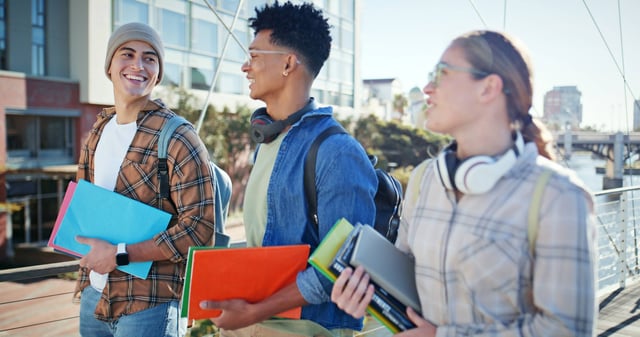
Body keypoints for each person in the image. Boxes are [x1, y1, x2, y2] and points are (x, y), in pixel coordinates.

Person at [331, 30, 598, 337]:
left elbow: (566, 330)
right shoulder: (424, 179)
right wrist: (368, 295)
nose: (429, 88)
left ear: (488, 88)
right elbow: (404, 282)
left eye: (441, 74)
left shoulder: (560, 197)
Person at [197, 1, 378, 336]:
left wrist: (255, 312)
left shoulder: (339, 153)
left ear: (288, 64)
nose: (244, 67)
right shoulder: (269, 140)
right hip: (245, 324)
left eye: (254, 56)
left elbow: (338, 267)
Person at [73, 22, 217, 337]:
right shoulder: (98, 130)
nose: (138, 65)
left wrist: (121, 254)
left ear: (158, 72)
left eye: (150, 58)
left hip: (150, 305)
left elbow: (200, 228)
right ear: (110, 65)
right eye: (128, 54)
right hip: (93, 296)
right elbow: (82, 203)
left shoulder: (178, 135)